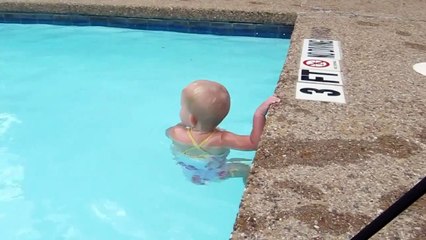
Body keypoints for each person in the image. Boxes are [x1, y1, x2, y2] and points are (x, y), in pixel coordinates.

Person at [166, 80, 280, 185]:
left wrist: (183, 125)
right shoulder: (222, 139)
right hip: (216, 173)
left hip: (190, 172)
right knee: (245, 168)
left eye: (182, 107)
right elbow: (255, 143)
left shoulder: (176, 132)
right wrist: (259, 115)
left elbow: (168, 133)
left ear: (192, 119)